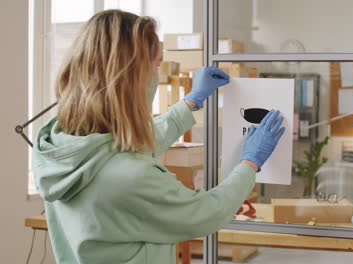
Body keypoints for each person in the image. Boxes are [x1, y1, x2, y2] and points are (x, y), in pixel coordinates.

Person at [32, 10, 285, 264]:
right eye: (156, 64)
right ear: (132, 77)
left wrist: (189, 103)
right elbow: (208, 212)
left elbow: (122, 148)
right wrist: (251, 161)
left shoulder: (59, 145)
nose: (157, 73)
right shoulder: (130, 177)